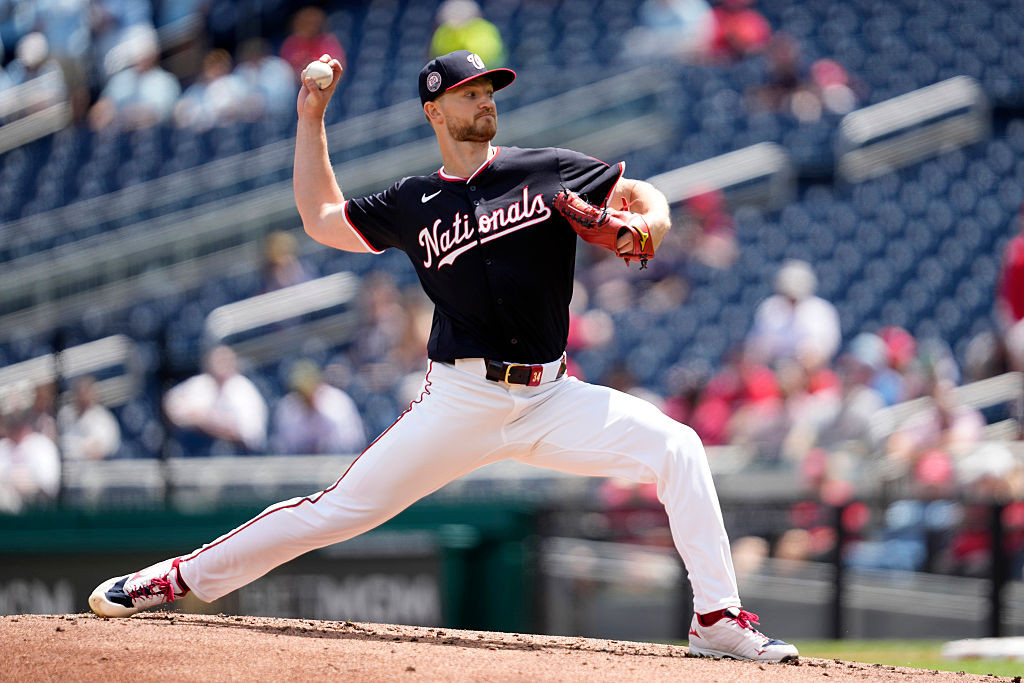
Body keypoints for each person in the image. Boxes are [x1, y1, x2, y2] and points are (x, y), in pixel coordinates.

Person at [88, 50, 798, 664]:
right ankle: (175, 578)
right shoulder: (414, 201)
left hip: (551, 395)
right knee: (334, 510)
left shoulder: (543, 169)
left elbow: (644, 195)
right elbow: (321, 219)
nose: (486, 99)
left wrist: (646, 222)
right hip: (461, 400)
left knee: (678, 446)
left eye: (490, 91)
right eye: (471, 92)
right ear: (436, 109)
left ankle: (716, 619)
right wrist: (311, 117)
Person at [162, 344, 268, 456]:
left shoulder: (244, 389)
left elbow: (250, 434)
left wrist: (205, 419)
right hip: (197, 453)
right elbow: (170, 405)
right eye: (217, 361)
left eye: (225, 361)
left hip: (237, 456)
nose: (220, 366)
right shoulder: (200, 384)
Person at [270, 360, 366, 455]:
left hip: (340, 459)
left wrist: (317, 410)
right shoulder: (288, 405)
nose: (304, 395)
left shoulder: (336, 401)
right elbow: (287, 446)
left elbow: (350, 443)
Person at [57, 375, 122, 460]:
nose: (82, 397)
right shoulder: (64, 414)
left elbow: (98, 451)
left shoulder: (103, 419)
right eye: (79, 392)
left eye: (86, 392)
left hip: (93, 469)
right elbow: (56, 440)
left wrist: (75, 448)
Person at [429, 0, 505, 67]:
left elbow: (487, 57)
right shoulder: (443, 31)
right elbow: (437, 55)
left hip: (483, 72)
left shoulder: (484, 29)